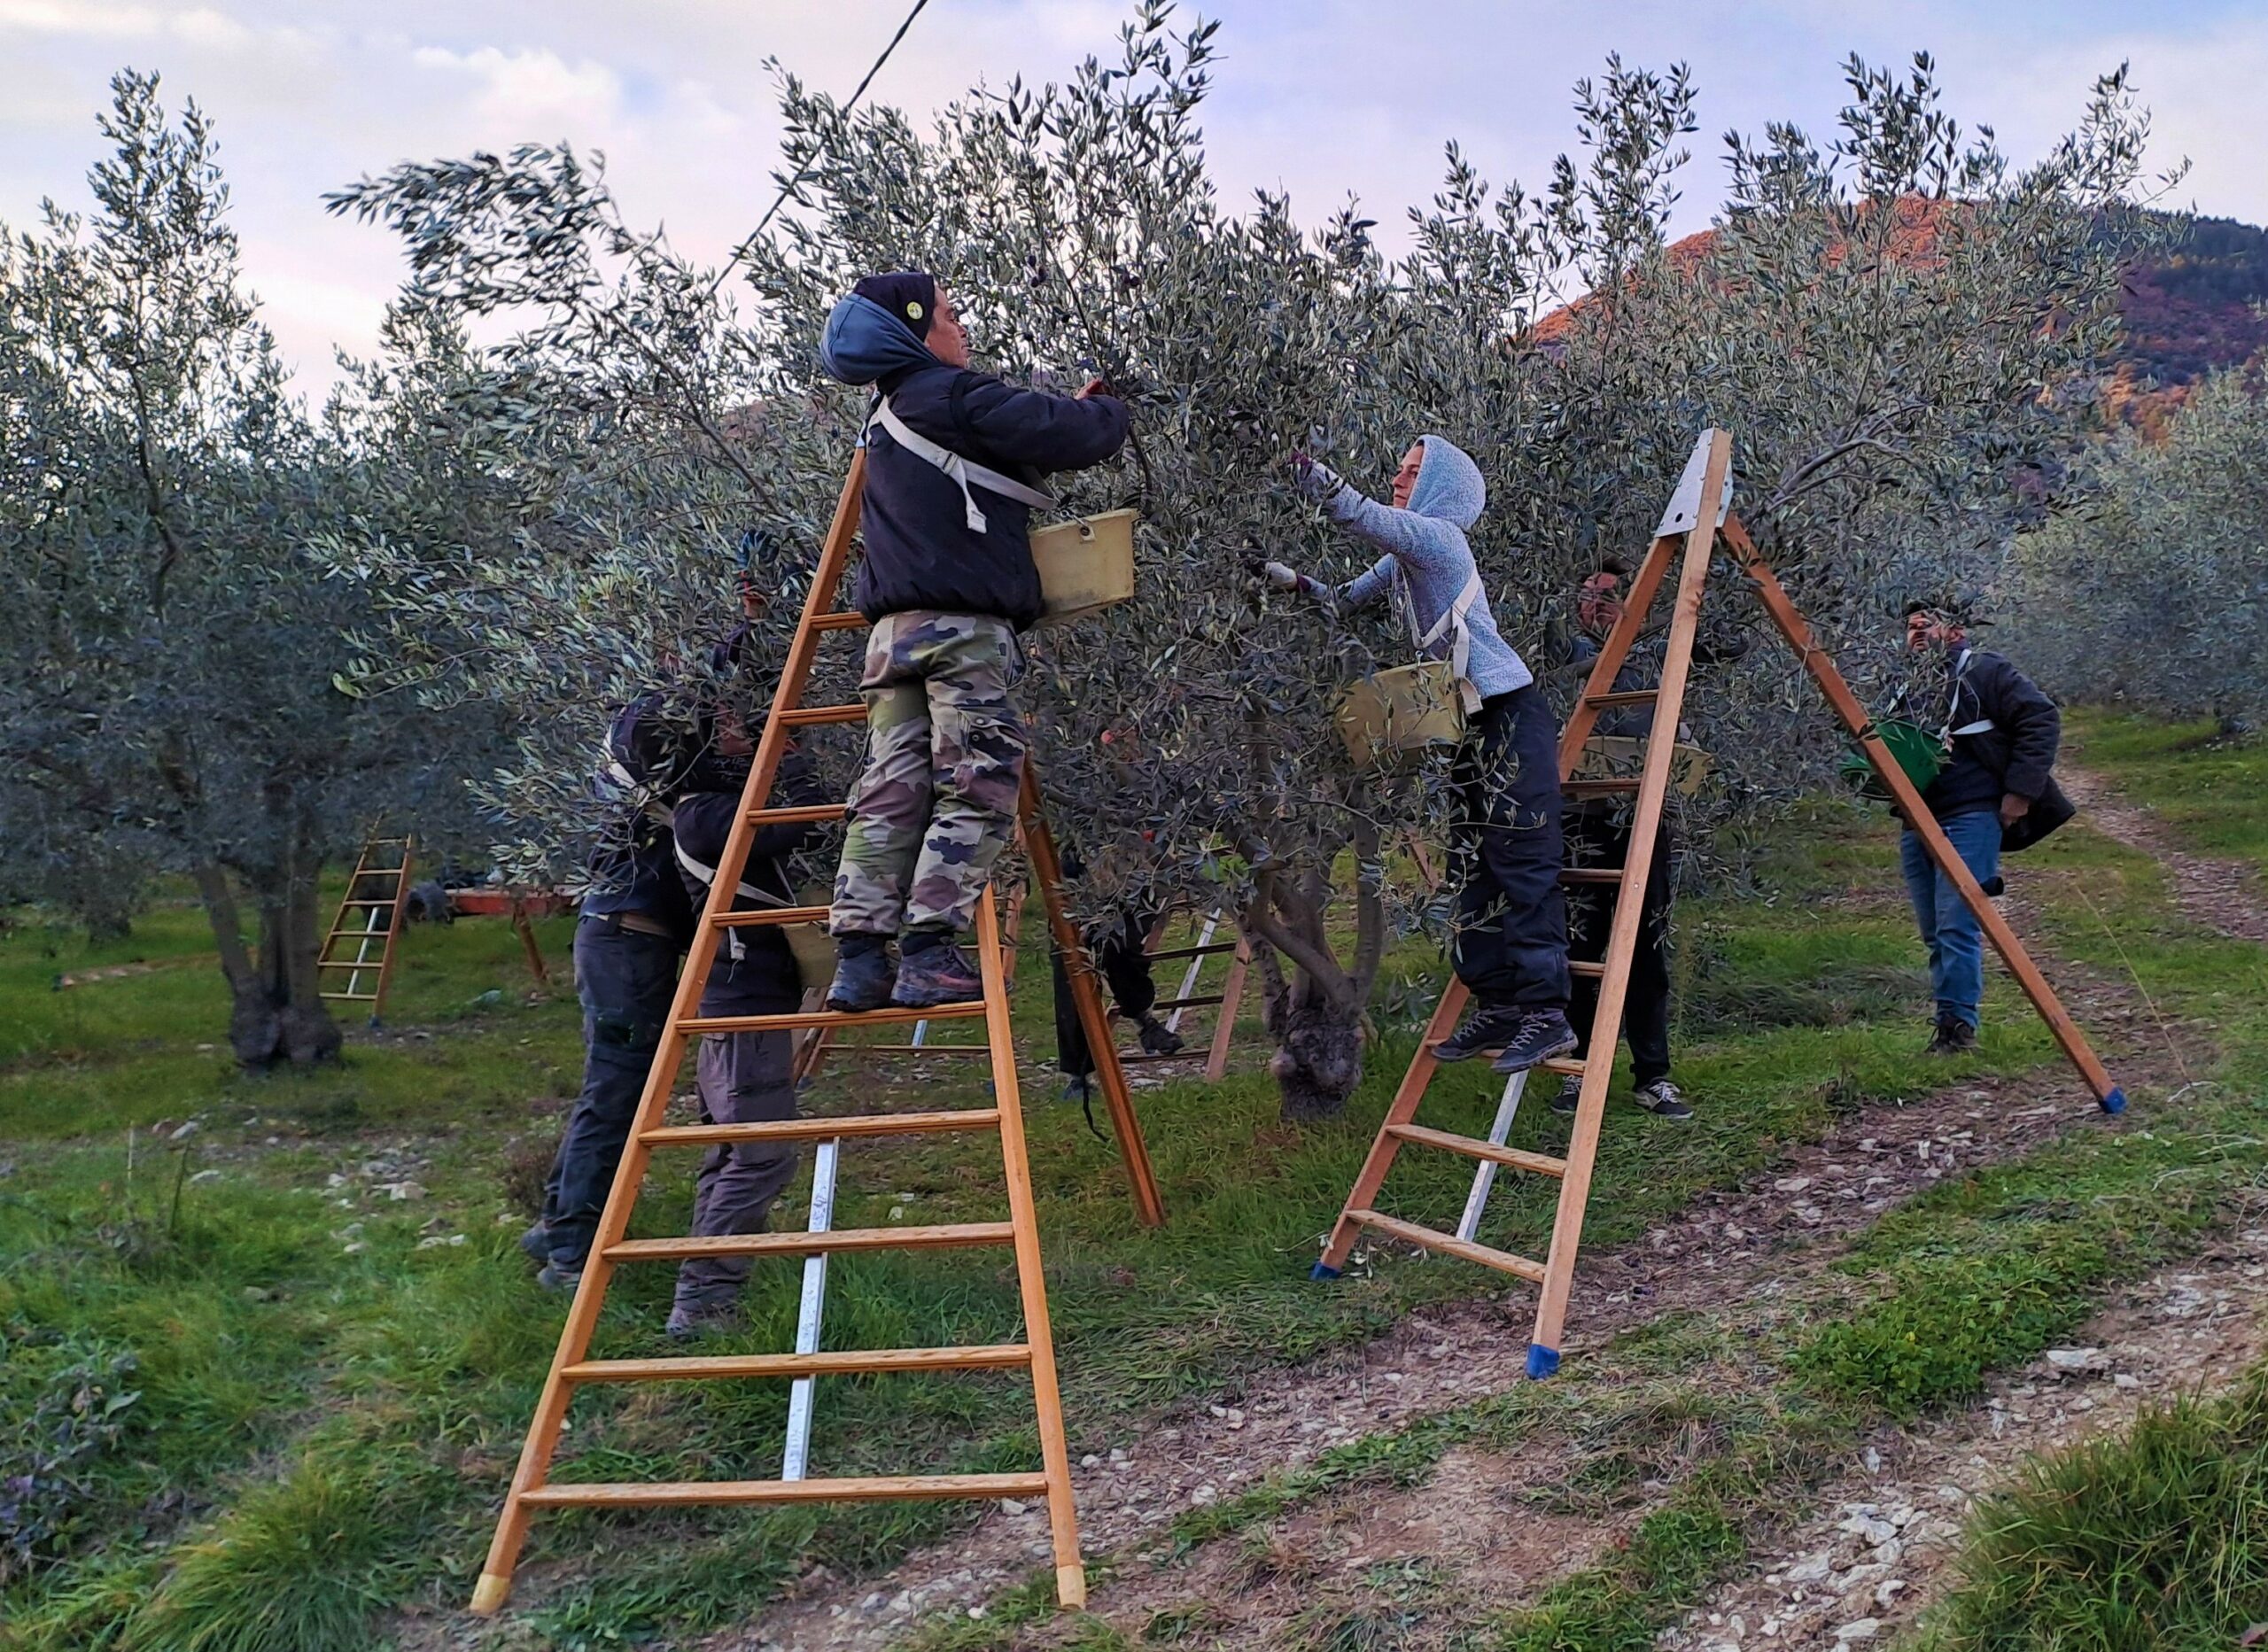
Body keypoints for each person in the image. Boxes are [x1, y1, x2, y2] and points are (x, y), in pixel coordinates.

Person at [814, 271, 1130, 1012]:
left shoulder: (886, 415)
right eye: (951, 317)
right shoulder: (949, 395)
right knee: (979, 778)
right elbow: (1068, 434)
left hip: (892, 641)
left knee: (890, 790)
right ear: (917, 333)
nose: (963, 331)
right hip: (960, 633)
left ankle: (859, 961)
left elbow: (1006, 453)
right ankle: (928, 949)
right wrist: (1113, 411)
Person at [1259, 436, 1575, 1074]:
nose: (1400, 479)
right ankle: (1499, 1004)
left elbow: (1359, 513)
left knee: (1522, 856)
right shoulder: (1403, 563)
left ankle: (1547, 1014)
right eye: (1400, 470)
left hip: (1509, 714)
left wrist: (1291, 459)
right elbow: (1341, 600)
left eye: (1411, 471)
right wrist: (1284, 578)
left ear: (1439, 483)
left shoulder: (1436, 539)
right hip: (1464, 722)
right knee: (1472, 864)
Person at [522, 601, 764, 1292]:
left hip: (618, 941)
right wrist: (751, 626)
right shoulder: (652, 732)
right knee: (618, 1088)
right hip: (626, 944)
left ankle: (554, 1222)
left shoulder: (668, 750)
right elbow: (701, 692)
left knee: (608, 1083)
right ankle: (571, 1251)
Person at [1550, 560, 1751, 1121]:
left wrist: (1709, 588)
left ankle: (1652, 1077)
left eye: (1612, 597)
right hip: (1575, 820)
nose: (1598, 606)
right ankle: (1576, 1071)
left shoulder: (1659, 654)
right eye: (1589, 596)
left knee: (1644, 945)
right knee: (1578, 949)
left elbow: (1731, 644)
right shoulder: (1560, 656)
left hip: (1642, 819)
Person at [661, 733, 827, 1339]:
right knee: (761, 1156)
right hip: (744, 1012)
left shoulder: (705, 813)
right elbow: (805, 818)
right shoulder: (706, 815)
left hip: (739, 1009)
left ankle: (704, 1291)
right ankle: (703, 1299)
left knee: (731, 1155)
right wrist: (798, 748)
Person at [1899, 601, 2069, 1054]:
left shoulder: (1985, 671)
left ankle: (1958, 1032)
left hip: (1971, 813)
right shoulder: (1903, 686)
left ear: (1953, 631)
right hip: (1917, 819)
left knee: (1957, 923)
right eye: (1909, 627)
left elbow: (2041, 718)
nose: (1915, 633)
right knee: (1934, 928)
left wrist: (2021, 792)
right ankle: (1948, 1022)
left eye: (1924, 625)